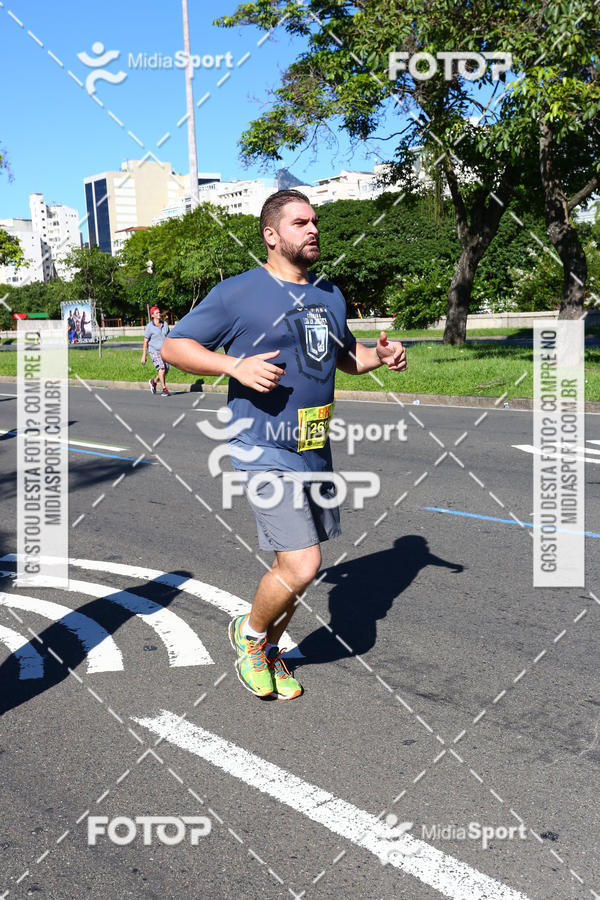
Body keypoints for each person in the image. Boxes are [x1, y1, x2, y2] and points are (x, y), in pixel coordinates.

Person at [161, 189, 407, 700]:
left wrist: (379, 356)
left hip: (314, 444)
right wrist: (234, 365)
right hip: (262, 444)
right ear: (272, 235)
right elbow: (174, 345)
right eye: (300, 223)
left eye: (315, 220)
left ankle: (270, 650)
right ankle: (250, 639)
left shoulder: (329, 295)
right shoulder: (238, 294)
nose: (313, 229)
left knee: (297, 568)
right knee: (303, 563)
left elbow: (346, 359)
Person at [142, 306, 171, 396]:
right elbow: (145, 341)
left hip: (164, 350)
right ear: (152, 315)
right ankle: (164, 389)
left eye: (159, 312)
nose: (159, 314)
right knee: (161, 369)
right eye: (156, 313)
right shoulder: (149, 327)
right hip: (154, 351)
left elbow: (169, 337)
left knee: (165, 370)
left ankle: (154, 382)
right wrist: (144, 355)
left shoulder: (165, 324)